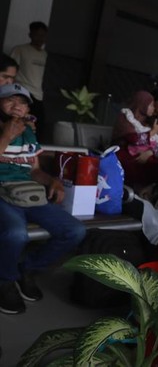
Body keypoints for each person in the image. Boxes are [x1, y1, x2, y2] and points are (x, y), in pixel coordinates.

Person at [0, 83, 86, 314]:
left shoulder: (28, 133)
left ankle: (26, 269)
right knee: (16, 234)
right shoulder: (8, 130)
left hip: (28, 192)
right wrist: (7, 135)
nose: (16, 105)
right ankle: (5, 280)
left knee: (75, 231)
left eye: (22, 101)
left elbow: (34, 170)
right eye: (10, 100)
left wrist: (52, 181)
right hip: (2, 193)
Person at [112, 90, 158, 191]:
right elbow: (134, 139)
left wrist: (149, 152)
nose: (153, 108)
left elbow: (155, 143)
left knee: (156, 163)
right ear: (142, 104)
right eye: (151, 105)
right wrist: (153, 131)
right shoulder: (125, 117)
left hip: (140, 153)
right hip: (122, 152)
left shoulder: (147, 120)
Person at [9, 22, 48, 120]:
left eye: (43, 35)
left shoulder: (45, 54)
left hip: (38, 94)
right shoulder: (20, 50)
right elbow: (10, 70)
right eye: (37, 35)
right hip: (23, 91)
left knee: (38, 123)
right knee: (20, 120)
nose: (40, 38)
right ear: (30, 35)